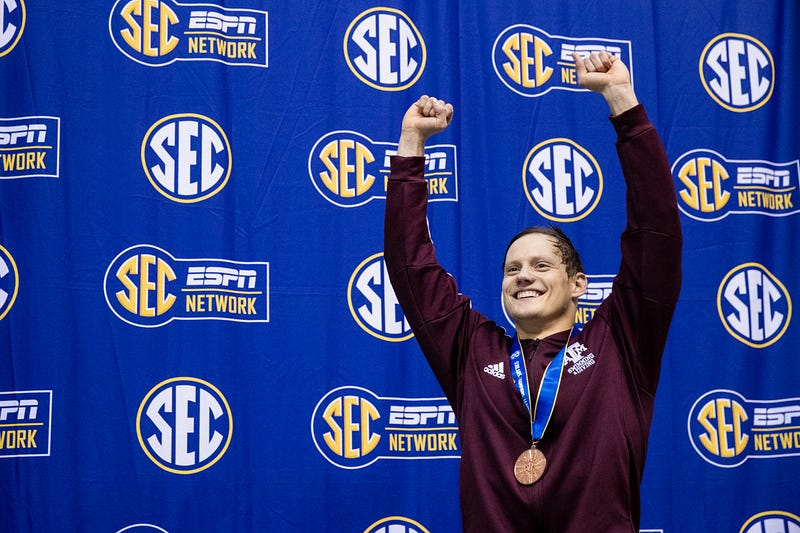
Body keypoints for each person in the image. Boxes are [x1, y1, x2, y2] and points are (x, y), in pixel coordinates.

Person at [383, 52, 682, 532]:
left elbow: (657, 231)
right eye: (512, 269)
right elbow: (410, 268)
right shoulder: (471, 355)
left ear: (578, 285)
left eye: (542, 265)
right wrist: (411, 146)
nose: (523, 276)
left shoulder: (622, 343)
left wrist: (622, 101)